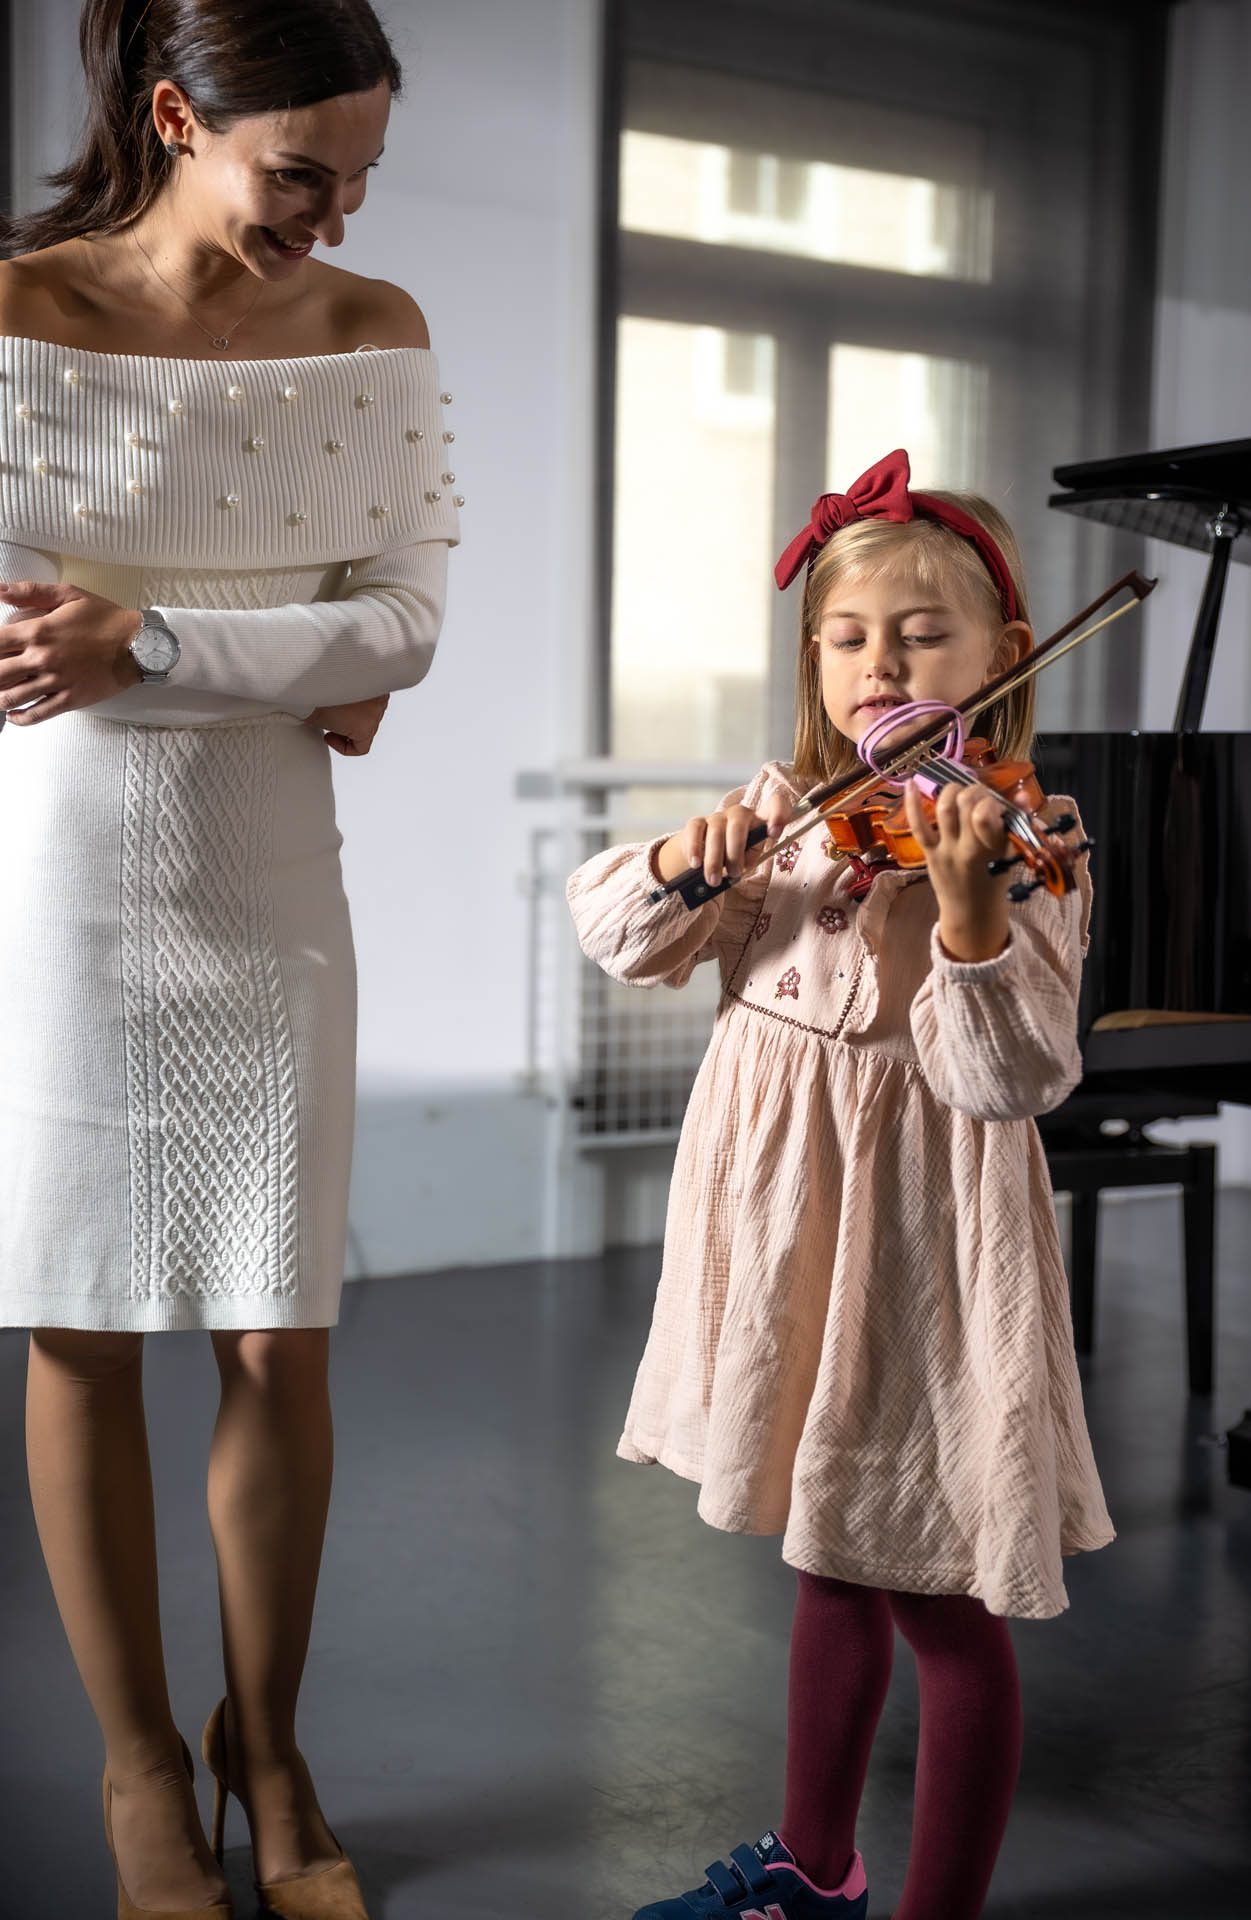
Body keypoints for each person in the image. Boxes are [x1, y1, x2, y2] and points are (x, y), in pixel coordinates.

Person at [0, 3, 460, 1915]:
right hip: (66, 881)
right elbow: (21, 650)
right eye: (300, 174)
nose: (334, 217)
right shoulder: (15, 316)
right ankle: (137, 1772)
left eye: (361, 178)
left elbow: (408, 625)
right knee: (82, 1324)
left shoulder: (374, 331)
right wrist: (296, 656)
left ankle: (265, 1750)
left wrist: (155, 644)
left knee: (281, 1332)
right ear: (179, 116)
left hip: (273, 882)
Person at [567, 450, 1114, 1920]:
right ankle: (812, 1874)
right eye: (850, 637)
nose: (883, 664)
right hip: (789, 1232)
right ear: (814, 663)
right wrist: (685, 861)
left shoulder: (1028, 846)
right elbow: (622, 937)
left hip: (924, 1242)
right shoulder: (787, 817)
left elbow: (1010, 1078)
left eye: (923, 636)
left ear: (1001, 654)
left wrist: (970, 915)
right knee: (828, 1556)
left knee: (940, 1593)